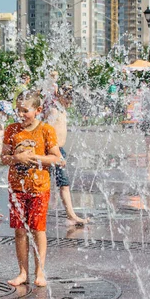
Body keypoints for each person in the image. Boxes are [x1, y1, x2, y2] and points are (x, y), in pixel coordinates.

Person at [1, 90, 61, 287]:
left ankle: (40, 271)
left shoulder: (46, 130)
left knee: (38, 229)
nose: (20, 115)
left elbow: (57, 158)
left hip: (39, 188)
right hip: (17, 188)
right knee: (19, 231)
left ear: (38, 110)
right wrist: (16, 159)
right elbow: (3, 158)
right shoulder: (11, 130)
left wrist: (36, 159)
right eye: (18, 110)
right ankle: (22, 272)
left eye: (25, 111)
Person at [44, 83, 90, 225]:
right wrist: (57, 154)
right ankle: (35, 214)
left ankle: (71, 215)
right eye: (68, 99)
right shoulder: (53, 111)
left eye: (71, 100)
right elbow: (46, 133)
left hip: (59, 150)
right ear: (61, 96)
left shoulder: (62, 110)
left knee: (64, 184)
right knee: (47, 184)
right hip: (52, 151)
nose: (70, 103)